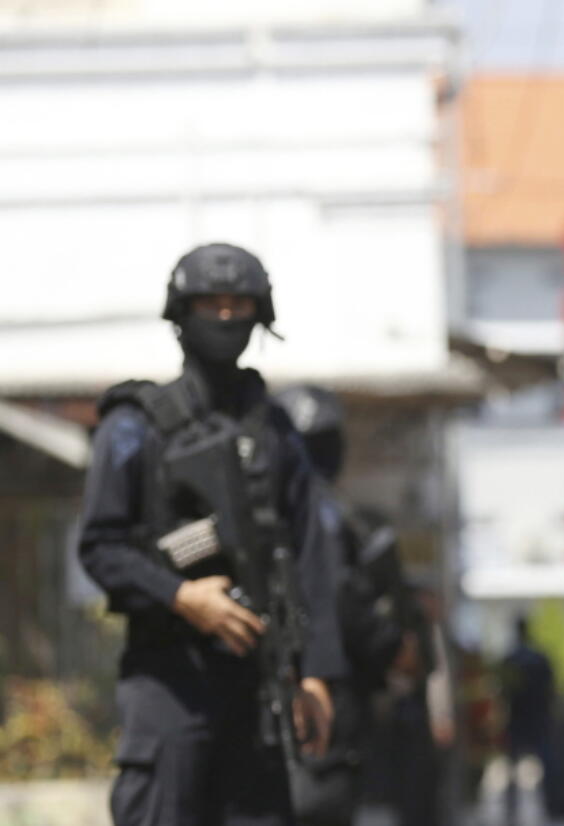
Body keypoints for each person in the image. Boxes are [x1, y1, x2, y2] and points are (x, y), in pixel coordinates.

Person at [79, 243, 342, 826]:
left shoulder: (275, 433)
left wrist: (317, 674)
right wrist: (183, 598)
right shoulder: (134, 427)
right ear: (181, 312)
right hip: (171, 678)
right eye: (210, 303)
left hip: (258, 685)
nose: (225, 317)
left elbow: (311, 559)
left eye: (238, 303)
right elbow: (99, 546)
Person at [273, 384, 441, 826]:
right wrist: (392, 646)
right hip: (326, 692)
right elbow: (338, 598)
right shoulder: (318, 513)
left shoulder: (283, 507)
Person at [498, 616, 555, 826]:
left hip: (520, 719)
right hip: (536, 719)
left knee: (515, 771)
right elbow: (551, 690)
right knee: (545, 768)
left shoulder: (511, 659)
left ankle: (511, 812)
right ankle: (548, 807)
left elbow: (503, 692)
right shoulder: (538, 658)